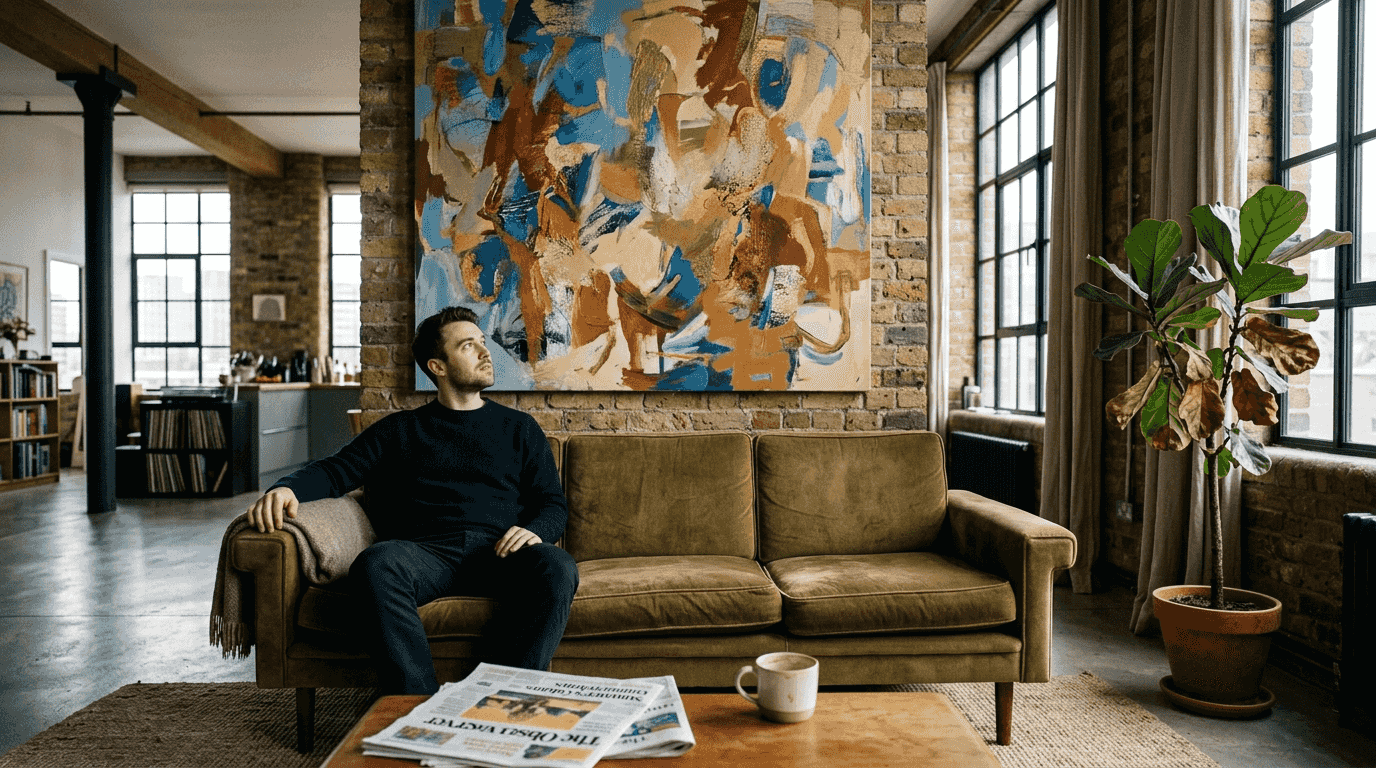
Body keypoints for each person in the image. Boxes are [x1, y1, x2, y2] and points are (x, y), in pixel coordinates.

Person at [245, 306, 578, 694]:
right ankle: (415, 703)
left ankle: (503, 695)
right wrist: (286, 488)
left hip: (500, 555)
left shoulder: (520, 428)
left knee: (558, 565)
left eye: (482, 342)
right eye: (468, 345)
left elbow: (553, 503)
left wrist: (535, 530)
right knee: (376, 563)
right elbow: (336, 471)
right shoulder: (399, 430)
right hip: (426, 555)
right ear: (438, 366)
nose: (485, 351)